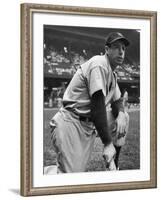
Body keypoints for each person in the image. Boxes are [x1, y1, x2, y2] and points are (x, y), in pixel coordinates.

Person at [50, 32, 130, 173]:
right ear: (106, 49)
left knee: (124, 118)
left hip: (88, 124)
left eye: (123, 48)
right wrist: (107, 143)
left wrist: (122, 113)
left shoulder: (112, 74)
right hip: (71, 123)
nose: (121, 52)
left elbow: (117, 101)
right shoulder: (99, 63)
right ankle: (44, 174)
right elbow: (97, 105)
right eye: (117, 47)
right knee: (71, 177)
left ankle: (114, 167)